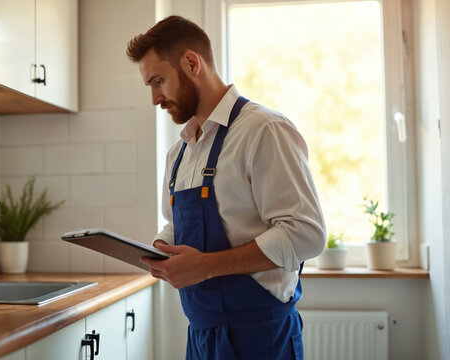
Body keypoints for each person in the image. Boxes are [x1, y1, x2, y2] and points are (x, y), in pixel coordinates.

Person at [128, 16, 326, 359]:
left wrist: (205, 266)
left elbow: (306, 234)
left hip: (262, 339)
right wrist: (163, 247)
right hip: (201, 337)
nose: (154, 98)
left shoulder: (264, 131)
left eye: (158, 81)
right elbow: (174, 225)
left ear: (192, 63)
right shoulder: (179, 152)